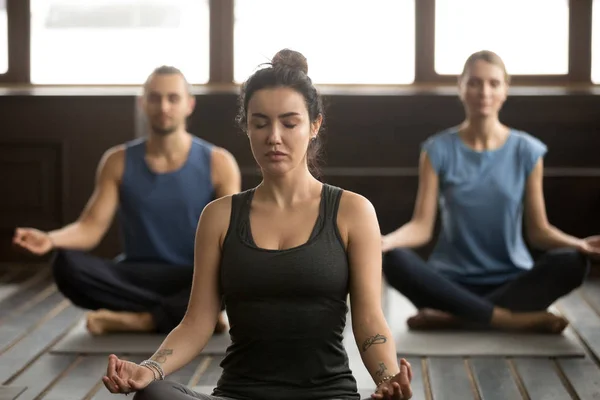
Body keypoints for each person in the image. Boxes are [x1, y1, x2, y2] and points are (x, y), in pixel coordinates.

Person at [100, 49, 413, 400]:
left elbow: (370, 320)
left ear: (314, 125)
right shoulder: (218, 216)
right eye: (260, 123)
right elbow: (198, 321)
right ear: (247, 127)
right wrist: (149, 369)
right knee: (155, 396)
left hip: (326, 395)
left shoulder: (352, 211)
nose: (273, 136)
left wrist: (387, 379)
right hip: (239, 394)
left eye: (289, 123)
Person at [381, 50, 600, 334]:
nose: (484, 91)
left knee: (572, 262)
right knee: (394, 259)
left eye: (493, 83)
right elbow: (421, 227)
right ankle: (507, 319)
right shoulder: (437, 150)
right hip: (450, 282)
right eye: (474, 82)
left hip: (512, 280)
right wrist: (386, 241)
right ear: (460, 87)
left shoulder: (527, 151)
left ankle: (457, 317)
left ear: (505, 90)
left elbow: (539, 231)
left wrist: (579, 245)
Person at [12, 65, 241, 336]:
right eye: (154, 98)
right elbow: (90, 227)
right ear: (142, 103)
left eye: (173, 98)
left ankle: (144, 320)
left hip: (193, 276)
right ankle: (188, 315)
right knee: (66, 264)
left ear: (189, 105)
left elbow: (231, 238)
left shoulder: (219, 162)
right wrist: (50, 240)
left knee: (235, 268)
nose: (163, 106)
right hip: (135, 275)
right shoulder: (117, 161)